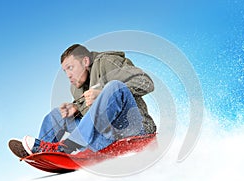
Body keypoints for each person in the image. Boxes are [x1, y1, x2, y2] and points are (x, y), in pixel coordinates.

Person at [9, 44, 156, 157]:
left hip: (133, 130)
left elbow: (146, 82)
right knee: (59, 114)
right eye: (65, 71)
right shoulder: (76, 88)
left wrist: (103, 93)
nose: (68, 75)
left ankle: (69, 146)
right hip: (106, 138)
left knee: (114, 87)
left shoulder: (106, 63)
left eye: (70, 67)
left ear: (85, 61)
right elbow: (95, 117)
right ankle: (42, 152)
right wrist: (77, 108)